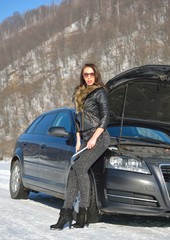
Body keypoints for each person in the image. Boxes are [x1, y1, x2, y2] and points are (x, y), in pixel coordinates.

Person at [50, 63, 110, 230]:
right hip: (84, 137)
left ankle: (83, 213)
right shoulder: (80, 94)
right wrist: (78, 140)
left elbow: (105, 119)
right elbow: (78, 121)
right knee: (73, 172)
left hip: (99, 137)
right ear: (82, 76)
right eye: (86, 74)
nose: (89, 77)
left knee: (81, 167)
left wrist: (93, 139)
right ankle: (66, 214)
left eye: (91, 74)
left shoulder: (100, 93)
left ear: (96, 75)